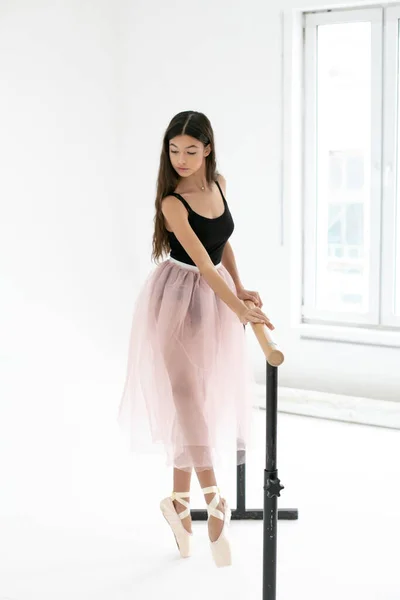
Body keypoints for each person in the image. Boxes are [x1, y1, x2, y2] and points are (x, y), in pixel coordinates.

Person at [117, 110, 274, 568]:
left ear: (207, 149)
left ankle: (178, 504)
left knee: (198, 400)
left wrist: (240, 289)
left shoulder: (218, 184)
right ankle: (213, 498)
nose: (181, 159)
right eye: (173, 150)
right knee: (186, 396)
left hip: (214, 297)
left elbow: (222, 245)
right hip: (177, 295)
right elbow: (202, 263)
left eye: (190, 150)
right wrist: (237, 305)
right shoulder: (172, 202)